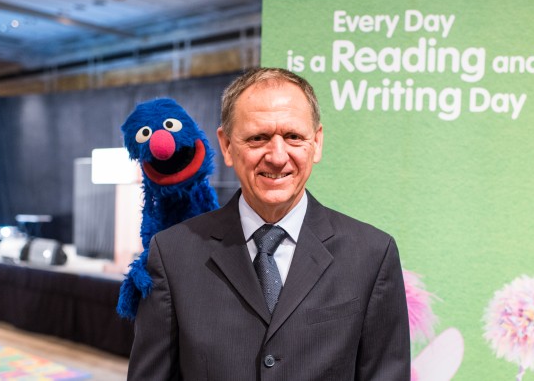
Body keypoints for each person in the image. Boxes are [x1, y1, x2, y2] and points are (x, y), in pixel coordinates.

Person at [127, 67, 410, 380]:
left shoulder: (371, 255)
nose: (277, 156)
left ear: (316, 143)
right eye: (258, 138)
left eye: (293, 137)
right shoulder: (172, 254)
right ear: (226, 145)